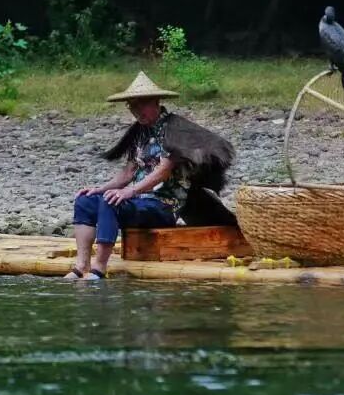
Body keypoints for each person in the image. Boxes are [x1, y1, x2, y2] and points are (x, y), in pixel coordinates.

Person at [66, 71, 237, 281]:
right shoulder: (139, 132)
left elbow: (162, 172)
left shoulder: (174, 130)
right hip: (137, 202)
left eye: (141, 105)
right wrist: (100, 188)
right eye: (132, 107)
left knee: (110, 202)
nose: (137, 111)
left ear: (155, 102)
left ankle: (98, 268)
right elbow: (129, 172)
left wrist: (130, 191)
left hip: (162, 206)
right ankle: (81, 265)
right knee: (86, 201)